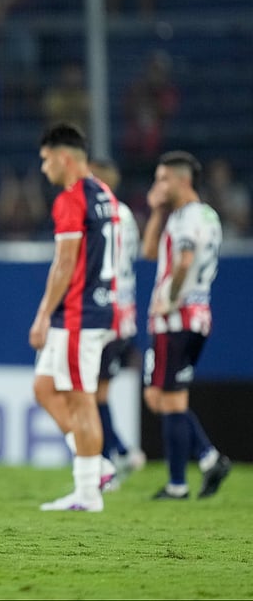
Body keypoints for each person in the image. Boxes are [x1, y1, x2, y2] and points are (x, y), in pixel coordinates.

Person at [28, 124, 117, 512]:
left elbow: (65, 263)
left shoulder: (71, 199)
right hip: (93, 308)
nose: (44, 168)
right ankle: (97, 465)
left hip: (79, 314)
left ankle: (88, 492)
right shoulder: (104, 194)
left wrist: (43, 314)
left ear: (64, 159)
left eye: (46, 160)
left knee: (81, 401)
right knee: (45, 387)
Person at [140, 150, 231, 500]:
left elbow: (185, 260)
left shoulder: (185, 219)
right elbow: (150, 252)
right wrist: (158, 210)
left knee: (167, 398)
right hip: (197, 316)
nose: (158, 185)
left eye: (163, 179)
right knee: (163, 396)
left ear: (182, 180)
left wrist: (171, 298)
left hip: (176, 318)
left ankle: (181, 482)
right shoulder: (206, 215)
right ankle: (207, 459)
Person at [88, 159, 147, 483]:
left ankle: (114, 458)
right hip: (124, 313)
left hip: (104, 312)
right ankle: (119, 454)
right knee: (98, 392)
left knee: (92, 393)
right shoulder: (126, 216)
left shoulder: (101, 215)